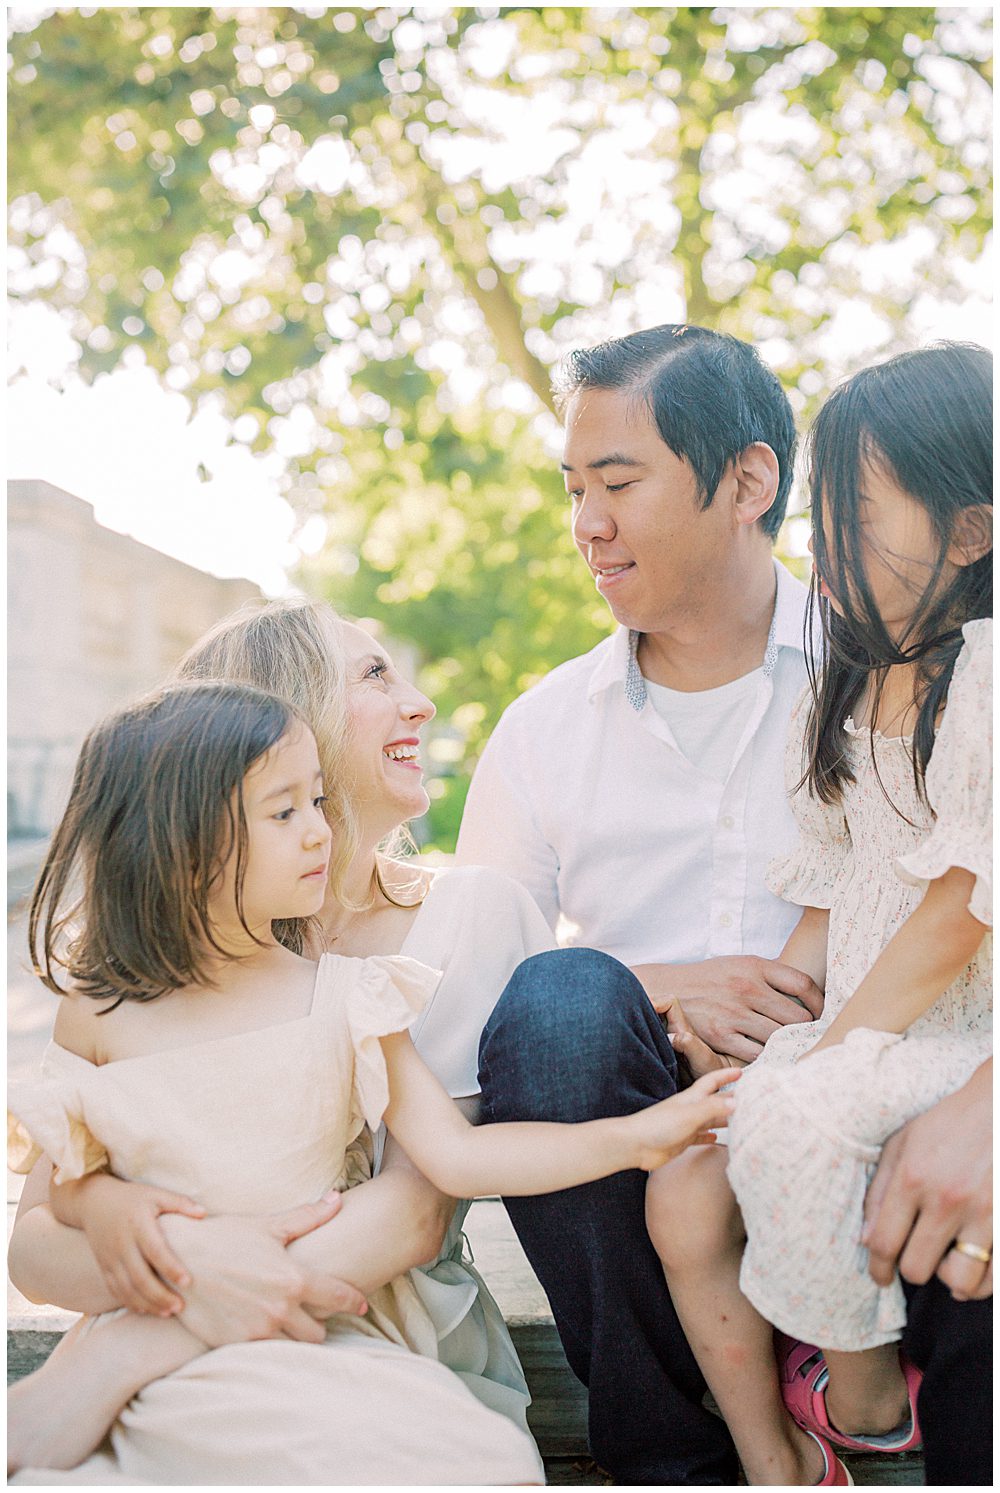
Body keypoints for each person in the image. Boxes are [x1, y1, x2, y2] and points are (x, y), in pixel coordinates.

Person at [7, 680, 739, 1482]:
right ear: (177, 843)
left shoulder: (348, 995)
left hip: (326, 1341)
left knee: (434, 1457)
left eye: (318, 800)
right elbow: (56, 1207)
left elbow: (458, 1158)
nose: (321, 830)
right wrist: (111, 1208)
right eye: (284, 812)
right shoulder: (97, 1014)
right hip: (155, 1371)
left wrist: (638, 1134)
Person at [8, 597, 558, 1443]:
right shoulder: (180, 954)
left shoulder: (469, 916)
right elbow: (40, 1241)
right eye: (374, 674)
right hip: (173, 1356)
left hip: (358, 1337)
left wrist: (152, 1329)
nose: (421, 703)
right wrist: (167, 1254)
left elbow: (411, 1213)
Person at [461, 323, 823, 1483]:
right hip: (623, 1137)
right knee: (559, 1002)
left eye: (617, 482)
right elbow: (474, 982)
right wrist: (660, 987)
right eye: (573, 489)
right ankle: (672, 1457)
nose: (585, 524)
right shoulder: (544, 725)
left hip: (837, 1090)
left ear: (747, 482)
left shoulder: (885, 676)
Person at [645, 342, 992, 1485]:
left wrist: (830, 1057)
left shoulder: (984, 673)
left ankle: (866, 1408)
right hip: (860, 1024)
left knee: (797, 1120)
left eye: (858, 510)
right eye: (821, 510)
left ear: (968, 534)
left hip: (947, 1034)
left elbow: (958, 908)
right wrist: (774, 1030)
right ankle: (770, 1451)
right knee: (684, 1185)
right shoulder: (845, 680)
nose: (822, 545)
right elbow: (838, 894)